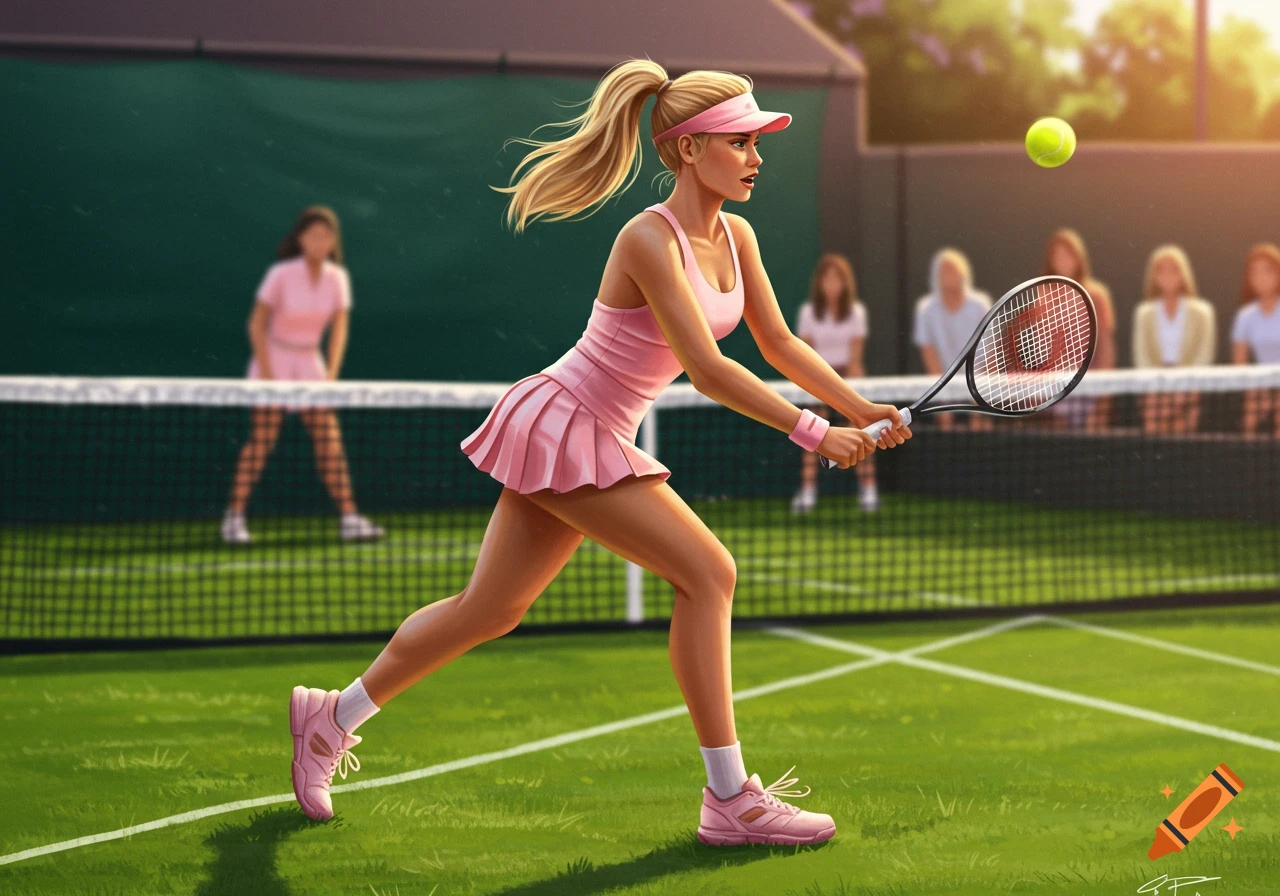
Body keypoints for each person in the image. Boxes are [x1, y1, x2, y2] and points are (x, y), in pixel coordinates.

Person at [286, 61, 911, 846]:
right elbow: (710, 368)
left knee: (490, 609)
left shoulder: (738, 236)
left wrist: (861, 407)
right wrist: (817, 434)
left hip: (588, 428)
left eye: (759, 142)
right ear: (689, 150)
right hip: (566, 417)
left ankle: (329, 718)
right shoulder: (648, 237)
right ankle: (730, 800)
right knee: (709, 573)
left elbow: (779, 344)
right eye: (740, 141)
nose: (756, 156)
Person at [221, 206, 384, 545]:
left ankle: (350, 518)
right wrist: (268, 375)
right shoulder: (281, 274)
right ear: (300, 239)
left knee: (329, 442)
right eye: (313, 235)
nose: (320, 241)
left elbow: (339, 331)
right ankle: (234, 518)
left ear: (333, 242)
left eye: (327, 236)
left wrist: (331, 376)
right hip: (273, 358)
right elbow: (256, 324)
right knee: (262, 440)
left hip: (310, 363)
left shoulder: (337, 277)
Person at [789, 253, 878, 514]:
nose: (831, 284)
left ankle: (869, 490)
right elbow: (805, 354)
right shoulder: (808, 313)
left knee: (862, 433)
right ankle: (807, 493)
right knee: (809, 434)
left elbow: (855, 359)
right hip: (818, 379)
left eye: (837, 278)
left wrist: (848, 396)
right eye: (827, 278)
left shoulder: (856, 313)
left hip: (847, 379)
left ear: (845, 283)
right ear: (819, 282)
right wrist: (820, 387)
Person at [1132, 245, 1216, 434]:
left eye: (1174, 269)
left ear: (1184, 273)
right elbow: (1142, 357)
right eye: (1161, 269)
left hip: (1189, 391)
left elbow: (1203, 356)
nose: (1167, 275)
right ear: (1154, 276)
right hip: (1154, 394)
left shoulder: (1203, 313)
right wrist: (1159, 390)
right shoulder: (1143, 314)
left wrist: (1182, 391)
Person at [1043, 229, 1116, 431]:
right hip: (1054, 391)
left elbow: (1106, 348)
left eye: (1068, 255)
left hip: (1091, 389)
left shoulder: (1097, 295)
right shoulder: (1042, 295)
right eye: (1057, 256)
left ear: (1079, 258)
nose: (1063, 261)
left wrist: (1102, 397)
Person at [913, 248, 992, 430]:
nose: (948, 275)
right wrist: (943, 405)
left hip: (979, 389)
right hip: (942, 392)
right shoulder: (926, 309)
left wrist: (980, 404)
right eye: (943, 271)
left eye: (953, 270)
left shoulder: (980, 305)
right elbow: (930, 358)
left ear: (963, 275)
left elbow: (990, 354)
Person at [1231, 243, 1280, 436]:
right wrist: (1257, 394)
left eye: (1267, 272)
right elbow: (1239, 364)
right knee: (1251, 414)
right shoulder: (1245, 316)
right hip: (1259, 386)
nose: (1261, 278)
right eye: (1255, 273)